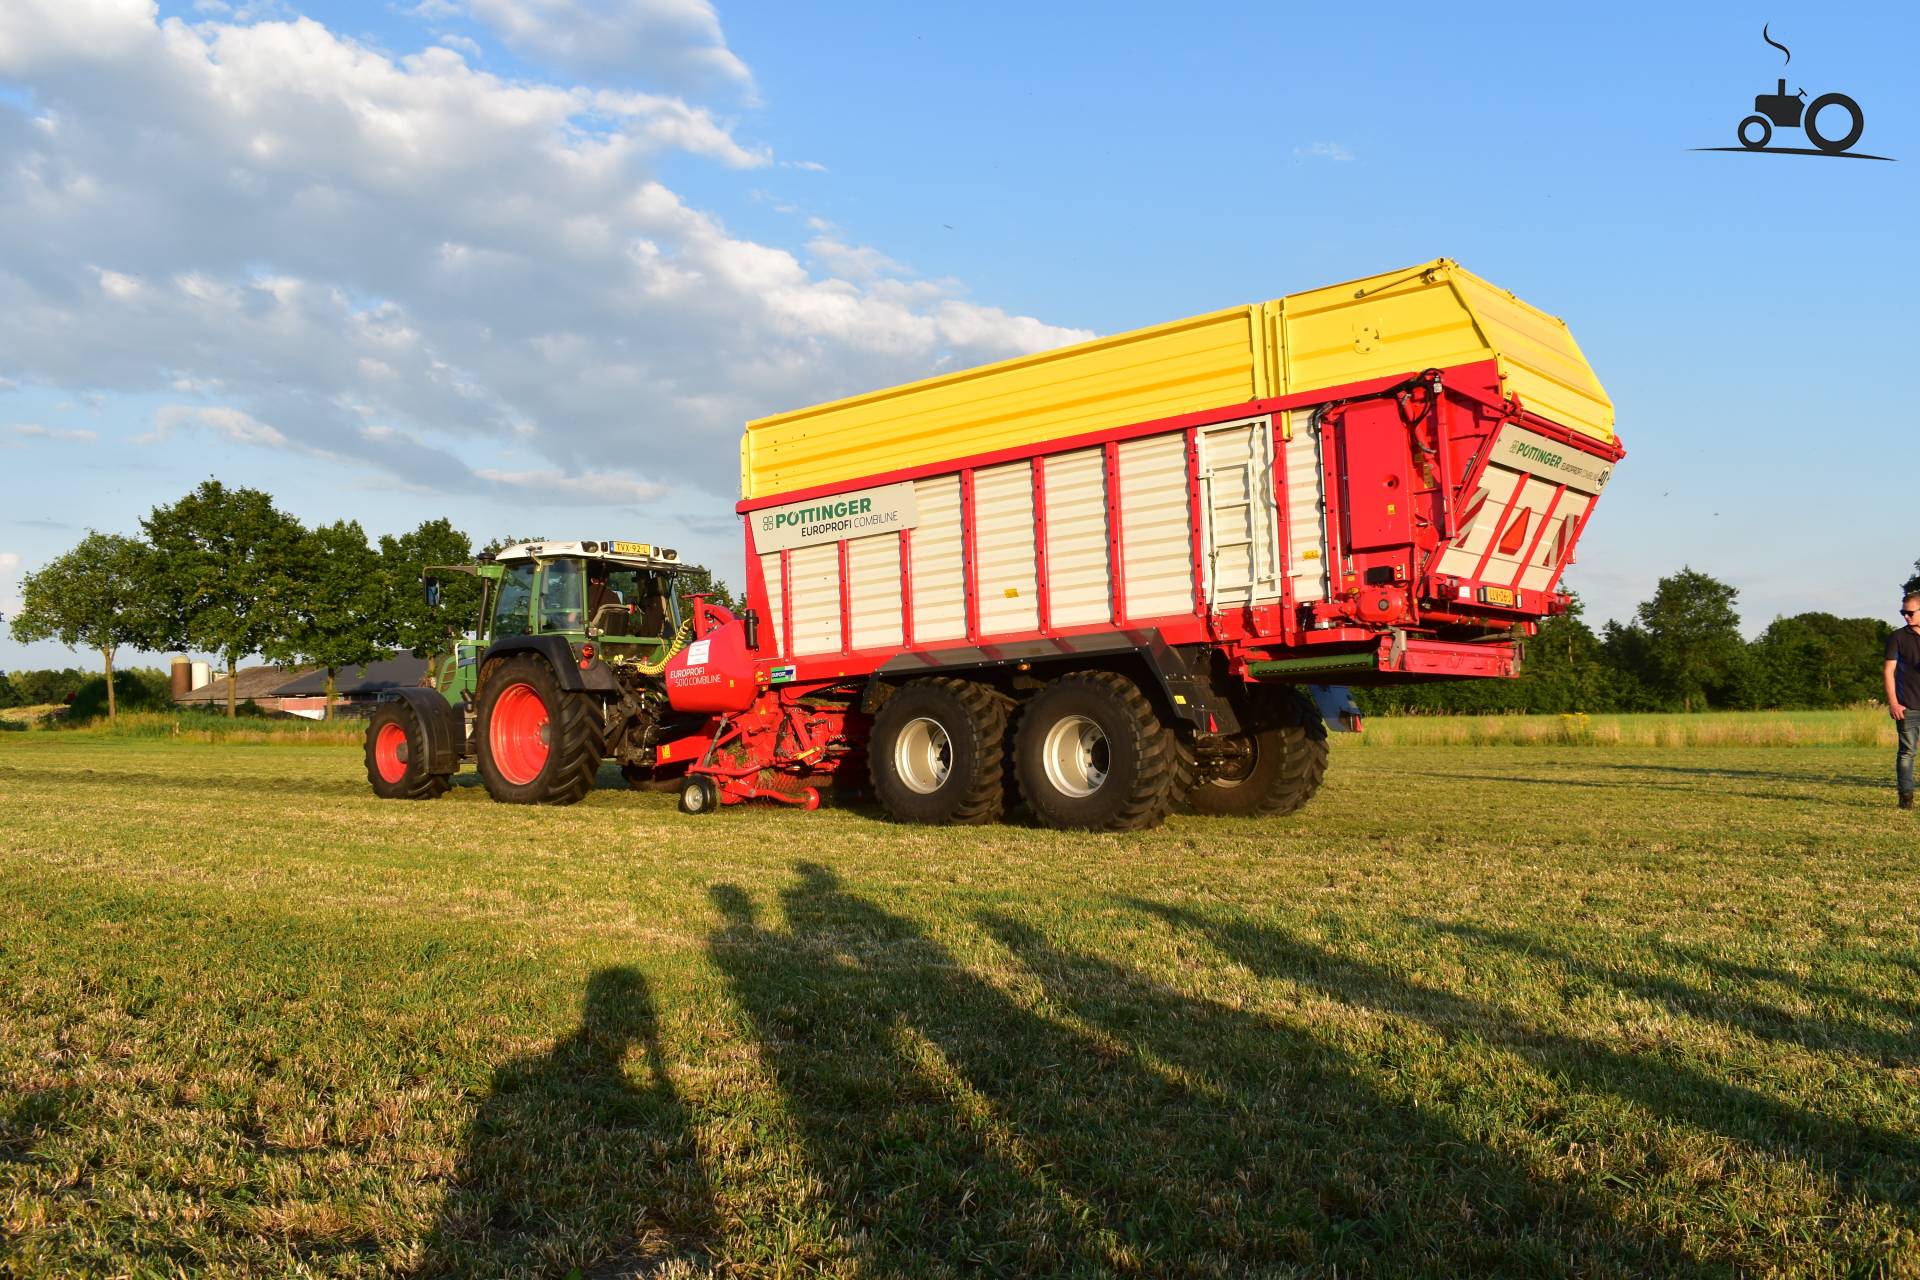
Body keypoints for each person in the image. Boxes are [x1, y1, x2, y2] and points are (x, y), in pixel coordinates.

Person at [1884, 593, 1920, 809]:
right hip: (1907, 706)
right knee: (1907, 752)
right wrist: (1893, 703)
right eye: (1902, 613)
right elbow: (1889, 671)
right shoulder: (1898, 637)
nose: (1906, 616)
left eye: (1910, 612)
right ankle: (1906, 798)